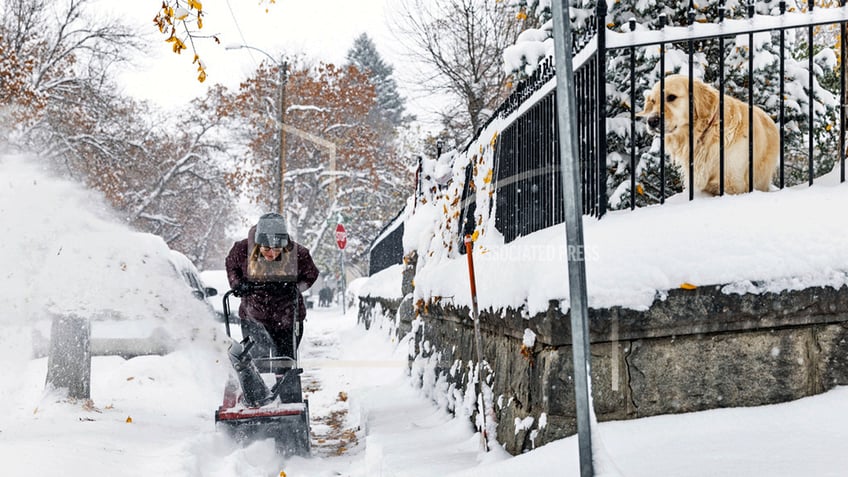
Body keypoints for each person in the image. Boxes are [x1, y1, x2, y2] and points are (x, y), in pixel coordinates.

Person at [225, 213, 320, 361]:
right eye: (267, 248)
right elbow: (231, 265)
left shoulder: (298, 254)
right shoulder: (242, 250)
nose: (272, 253)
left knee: (284, 362)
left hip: (287, 316)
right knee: (258, 361)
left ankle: (285, 382)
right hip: (253, 315)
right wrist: (238, 284)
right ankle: (259, 383)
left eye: (277, 249)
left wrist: (294, 287)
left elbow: (311, 274)